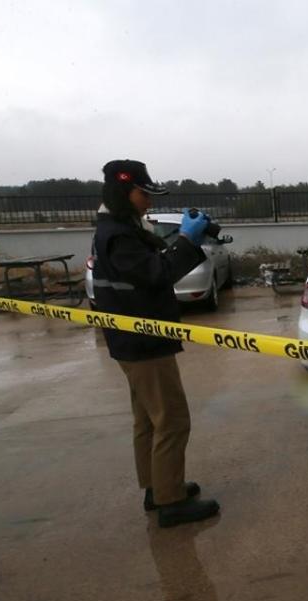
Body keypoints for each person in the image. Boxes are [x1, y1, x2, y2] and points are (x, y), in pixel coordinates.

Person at [92, 159, 220, 527]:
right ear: (123, 192)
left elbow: (151, 263)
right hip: (143, 341)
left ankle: (157, 486)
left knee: (148, 419)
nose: (148, 201)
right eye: (143, 194)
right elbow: (157, 274)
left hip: (132, 339)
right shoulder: (117, 234)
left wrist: (183, 238)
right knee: (172, 419)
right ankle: (171, 501)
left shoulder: (120, 227)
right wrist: (187, 240)